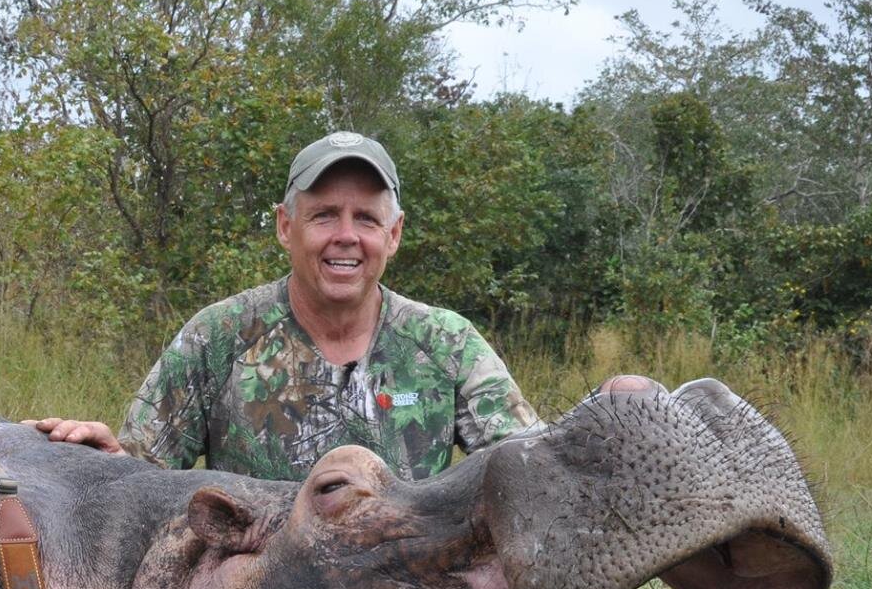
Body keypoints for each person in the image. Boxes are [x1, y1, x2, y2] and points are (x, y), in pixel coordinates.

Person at [27, 130, 538, 481]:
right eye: (323, 216)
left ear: (394, 234)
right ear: (285, 226)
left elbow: (527, 468)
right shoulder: (221, 336)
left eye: (366, 219)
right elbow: (141, 475)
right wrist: (107, 457)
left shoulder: (445, 343)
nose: (345, 237)